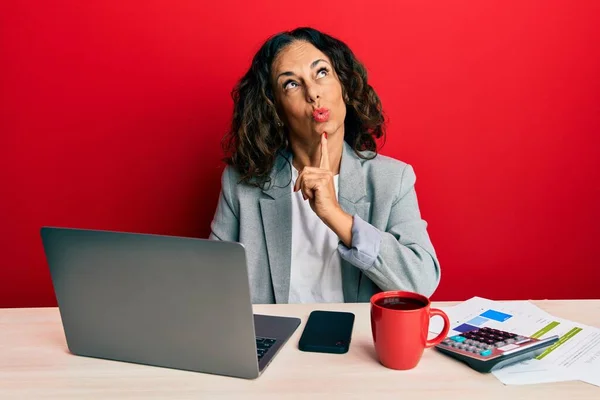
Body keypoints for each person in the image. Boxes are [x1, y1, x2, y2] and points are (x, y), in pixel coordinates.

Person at [209, 27, 440, 304]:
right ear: (277, 111)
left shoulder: (392, 179)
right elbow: (212, 287)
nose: (312, 93)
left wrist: (337, 216)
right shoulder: (241, 184)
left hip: (359, 343)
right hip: (272, 342)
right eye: (291, 84)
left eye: (321, 72)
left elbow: (421, 283)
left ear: (343, 86)